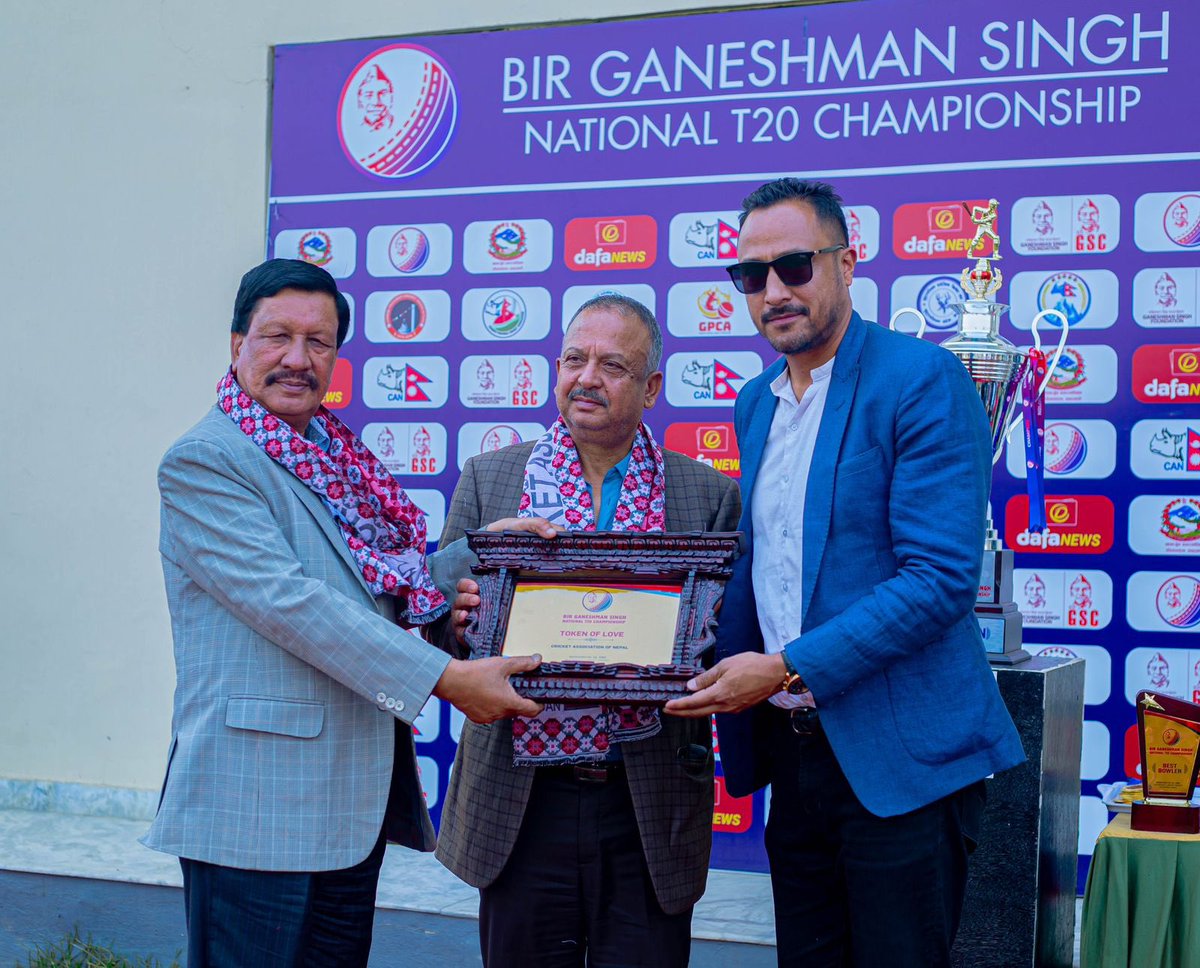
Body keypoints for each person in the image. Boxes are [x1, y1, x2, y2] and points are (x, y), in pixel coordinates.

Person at [142, 258, 543, 967]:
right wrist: (447, 681)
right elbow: (292, 604)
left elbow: (384, 588)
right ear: (236, 343)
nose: (297, 359)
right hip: (255, 811)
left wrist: (483, 553)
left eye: (318, 342)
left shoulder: (337, 458)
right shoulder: (206, 460)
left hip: (345, 806)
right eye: (276, 337)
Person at [665, 179, 1025, 967]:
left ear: (847, 262)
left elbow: (938, 580)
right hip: (795, 756)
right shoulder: (756, 402)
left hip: (902, 764)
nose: (773, 290)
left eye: (794, 264)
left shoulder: (921, 377)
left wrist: (787, 665)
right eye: (750, 275)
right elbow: (769, 566)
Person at [432, 294, 741, 968]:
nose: (587, 377)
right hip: (521, 794)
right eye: (574, 359)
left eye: (613, 365)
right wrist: (456, 616)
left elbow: (727, 638)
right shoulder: (493, 478)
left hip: (645, 797)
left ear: (652, 386)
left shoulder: (706, 494)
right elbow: (437, 617)